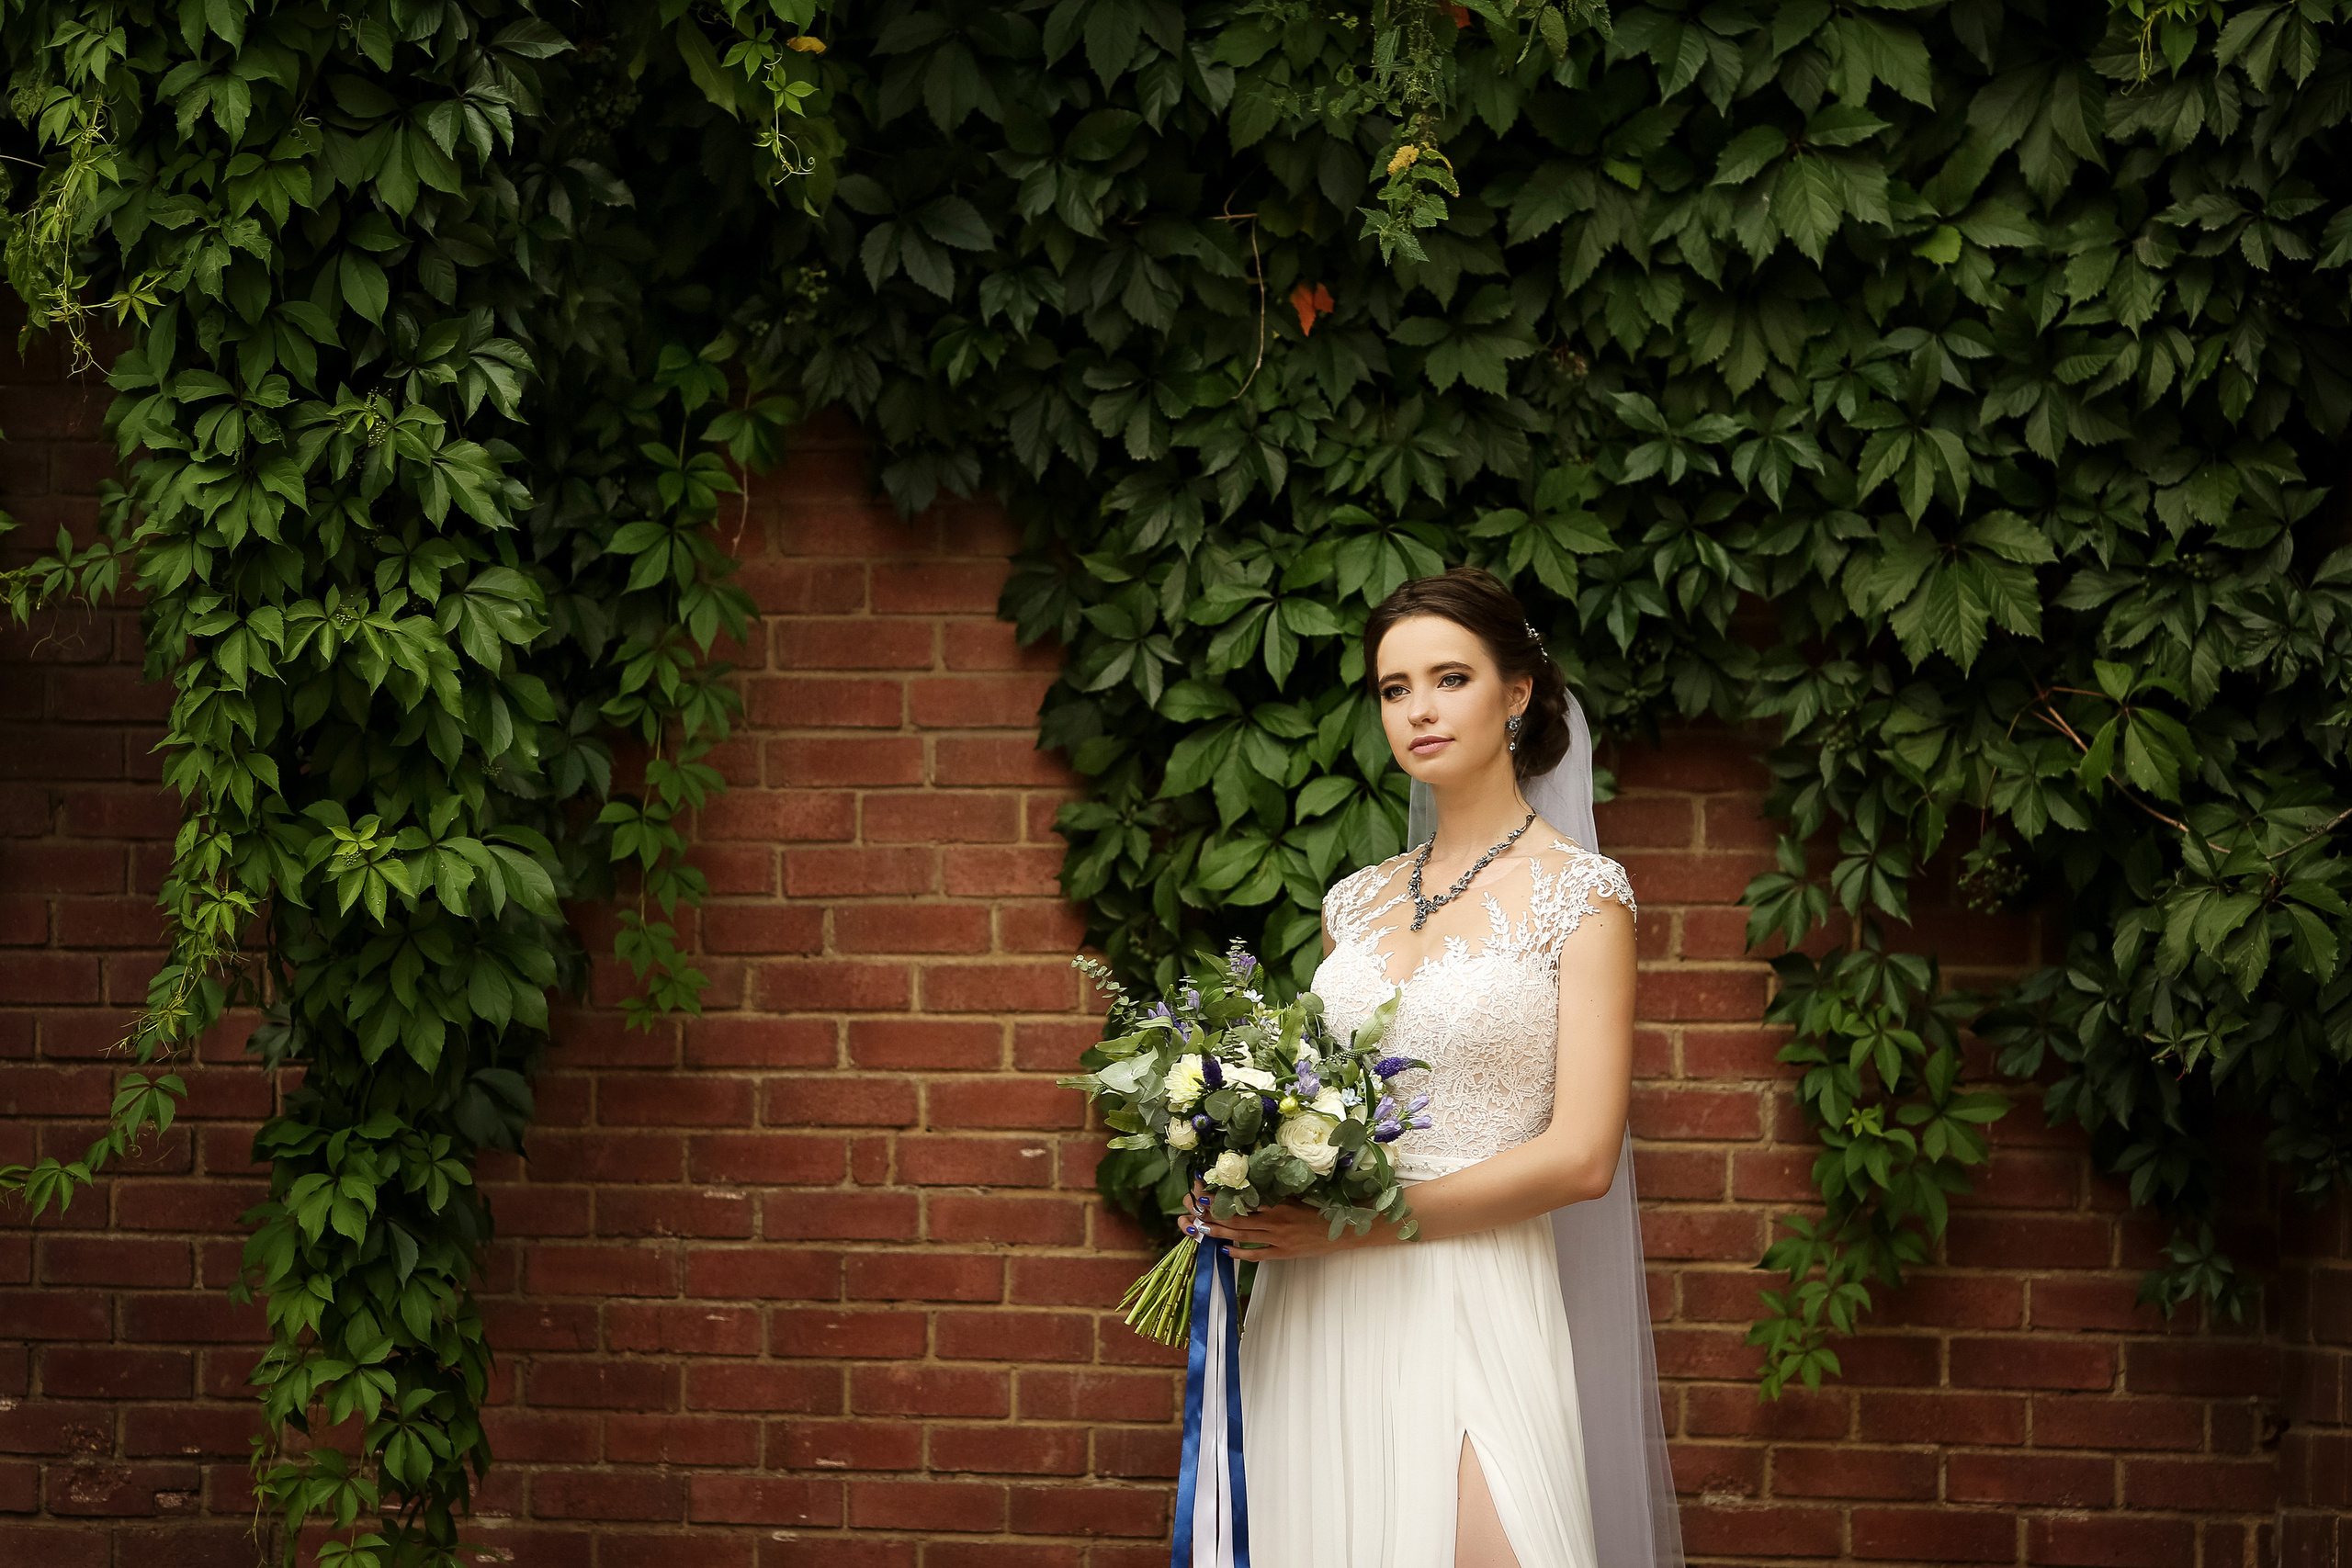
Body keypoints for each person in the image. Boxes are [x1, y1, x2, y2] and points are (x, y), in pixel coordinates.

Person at [1182, 566, 1683, 1568]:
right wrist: (1237, 1165)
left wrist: (1365, 1227)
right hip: (1316, 1296)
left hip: (1470, 1288)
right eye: (1392, 688)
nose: (1417, 710)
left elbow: (1583, 1157)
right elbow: (1319, 1098)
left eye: (1448, 678)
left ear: (1518, 692)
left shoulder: (1583, 898)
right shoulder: (1352, 906)